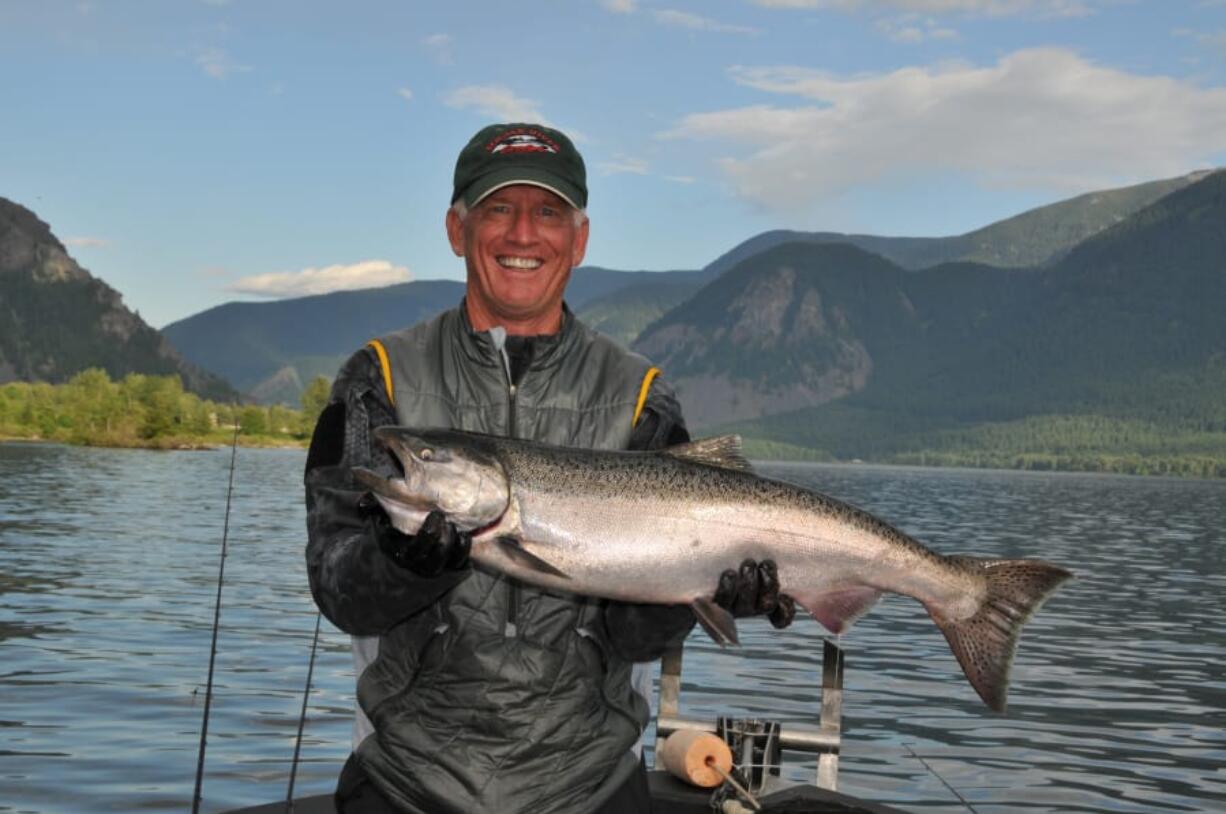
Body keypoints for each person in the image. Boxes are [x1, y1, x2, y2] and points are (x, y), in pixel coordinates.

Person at [304, 122, 795, 814]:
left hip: (589, 784)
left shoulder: (642, 395)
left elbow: (636, 639)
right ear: (456, 228)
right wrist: (400, 563)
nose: (523, 234)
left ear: (580, 239)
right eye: (498, 209)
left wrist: (709, 589)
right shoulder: (377, 381)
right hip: (409, 780)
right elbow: (339, 593)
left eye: (549, 212)